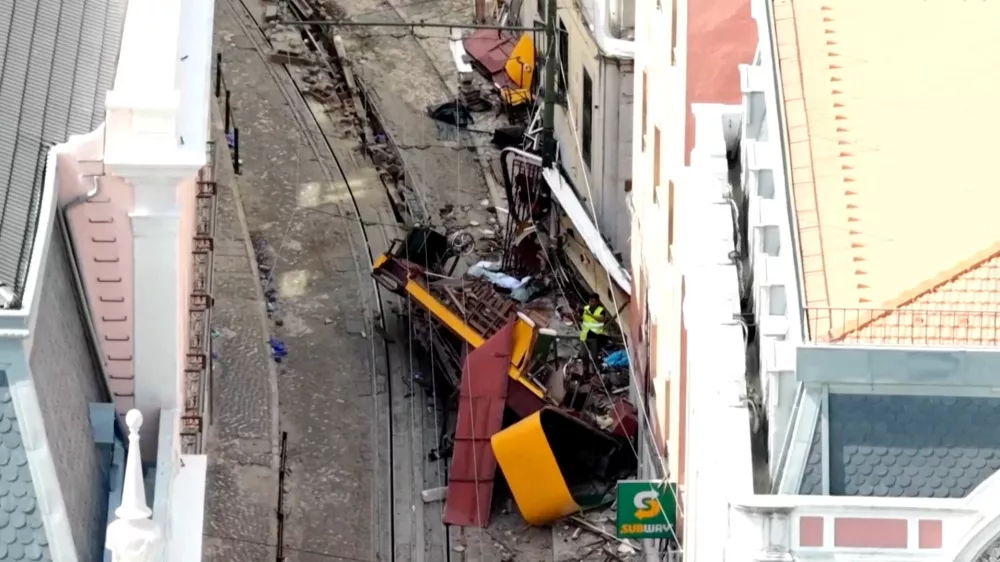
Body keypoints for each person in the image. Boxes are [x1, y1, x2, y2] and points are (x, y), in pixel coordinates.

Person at [579, 293, 610, 371]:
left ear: (597, 302)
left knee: (594, 356)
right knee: (583, 354)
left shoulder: (601, 310)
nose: (590, 303)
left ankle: (596, 370)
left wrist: (591, 315)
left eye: (592, 301)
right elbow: (581, 318)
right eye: (589, 301)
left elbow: (601, 319)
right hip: (585, 335)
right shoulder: (586, 308)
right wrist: (574, 316)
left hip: (595, 337)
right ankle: (585, 370)